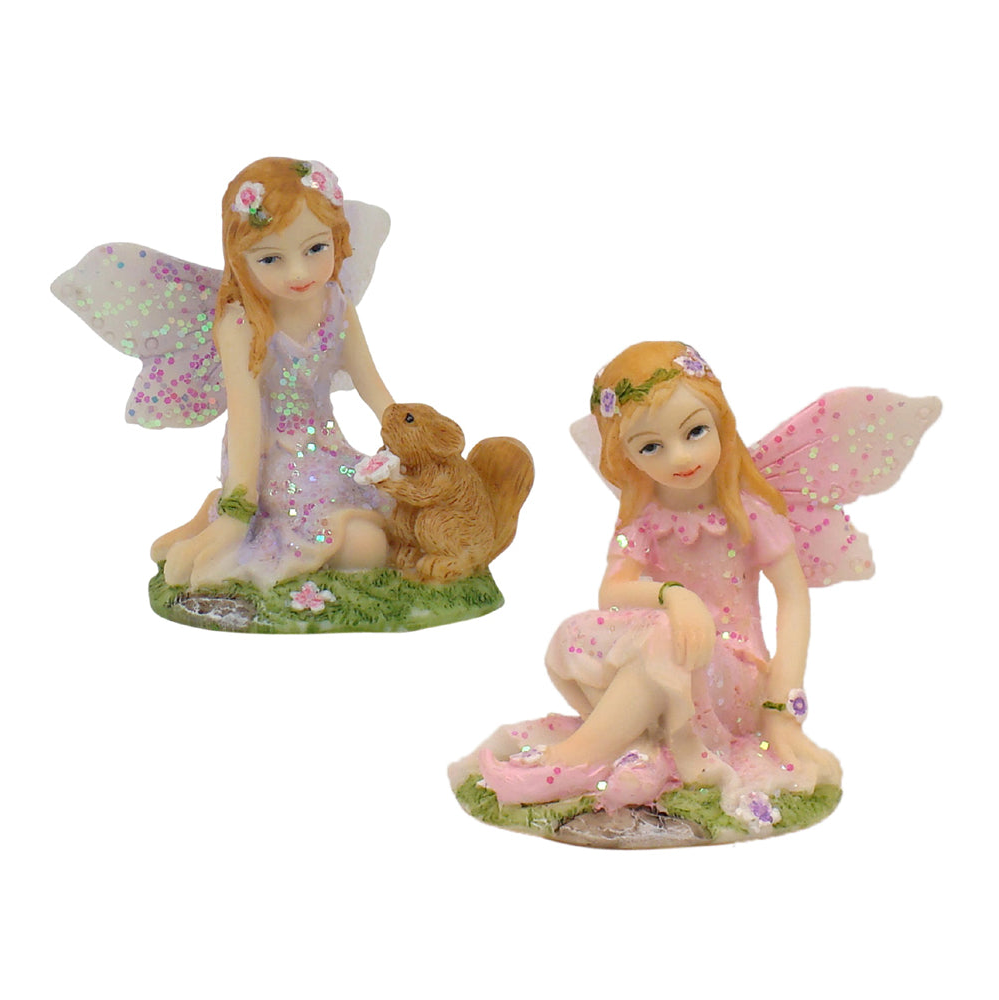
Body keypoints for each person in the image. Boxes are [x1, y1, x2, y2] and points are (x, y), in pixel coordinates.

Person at [473, 341, 940, 828]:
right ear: (626, 457)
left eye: (695, 431)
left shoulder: (749, 513)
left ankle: (571, 762)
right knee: (571, 635)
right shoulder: (644, 519)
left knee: (664, 642)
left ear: (721, 422)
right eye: (651, 446)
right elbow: (612, 593)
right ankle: (634, 736)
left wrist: (780, 707)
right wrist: (673, 596)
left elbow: (793, 599)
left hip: (731, 676)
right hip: (667, 646)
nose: (680, 456)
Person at [54, 158, 396, 590]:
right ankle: (223, 513)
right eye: (271, 258)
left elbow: (374, 388)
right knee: (365, 547)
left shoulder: (337, 306)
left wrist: (415, 441)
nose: (298, 272)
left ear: (337, 238)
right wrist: (239, 509)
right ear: (240, 259)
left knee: (398, 519)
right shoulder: (241, 324)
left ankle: (215, 512)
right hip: (267, 463)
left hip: (328, 450)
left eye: (315, 249)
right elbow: (246, 421)